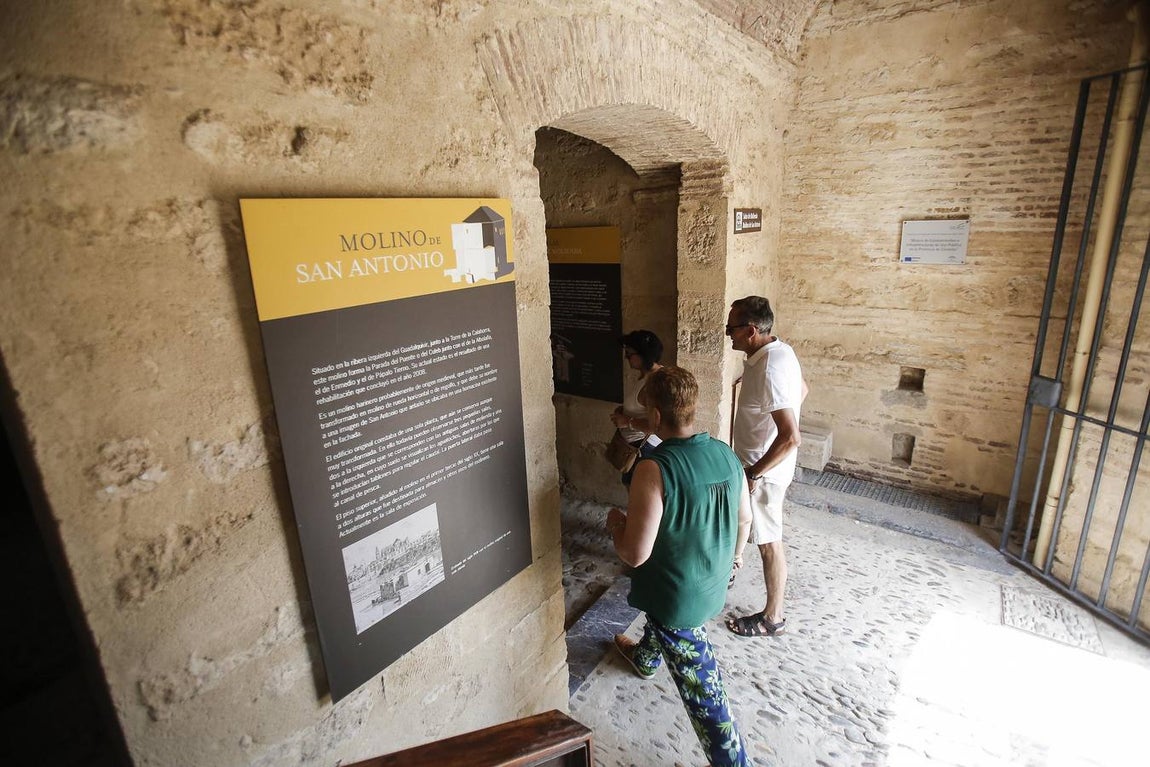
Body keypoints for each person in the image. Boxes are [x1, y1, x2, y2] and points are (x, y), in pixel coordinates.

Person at [605, 366, 753, 767]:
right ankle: (646, 657)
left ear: (655, 415)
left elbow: (635, 554)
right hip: (714, 580)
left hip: (679, 599)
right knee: (661, 619)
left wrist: (616, 524)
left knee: (705, 692)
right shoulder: (724, 453)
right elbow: (744, 520)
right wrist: (734, 560)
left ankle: (733, 761)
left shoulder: (654, 468)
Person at [724, 296, 807, 638]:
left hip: (764, 472)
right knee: (747, 526)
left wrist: (755, 472)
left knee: (769, 542)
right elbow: (802, 390)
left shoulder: (771, 366)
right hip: (759, 464)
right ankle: (730, 569)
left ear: (751, 330)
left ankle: (773, 617)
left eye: (731, 329)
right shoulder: (780, 352)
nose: (728, 335)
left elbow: (791, 437)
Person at [609, 330, 663, 485]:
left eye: (629, 353)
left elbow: (658, 426)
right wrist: (625, 410)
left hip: (643, 450)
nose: (626, 357)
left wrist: (627, 421)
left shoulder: (654, 383)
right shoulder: (646, 376)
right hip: (635, 447)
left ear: (643, 355)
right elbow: (642, 408)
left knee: (637, 493)